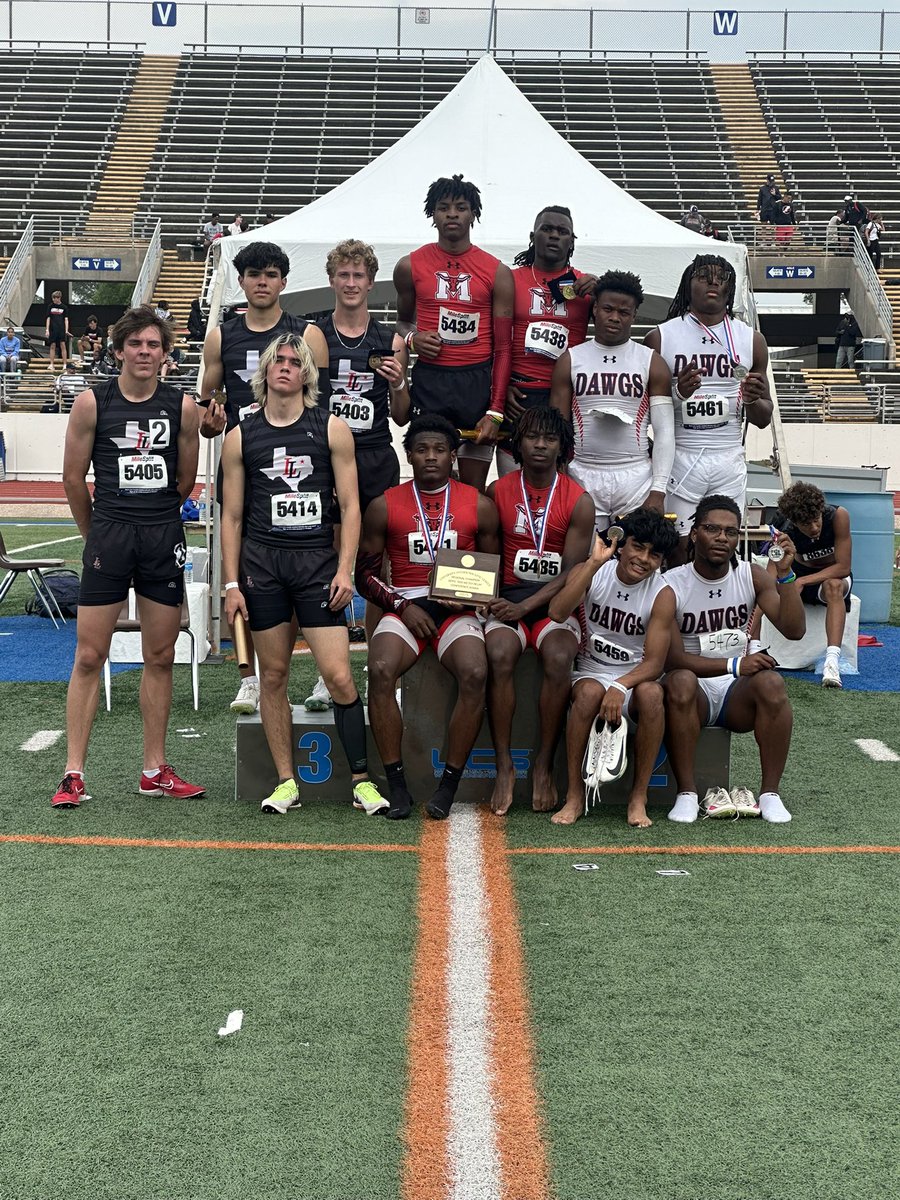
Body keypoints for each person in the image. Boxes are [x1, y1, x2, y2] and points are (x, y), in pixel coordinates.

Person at [220, 333, 387, 817]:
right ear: (265, 371)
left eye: (295, 362)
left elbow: (351, 506)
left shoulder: (332, 428)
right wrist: (231, 584)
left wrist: (345, 570)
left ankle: (361, 780)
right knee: (272, 675)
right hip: (262, 567)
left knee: (337, 676)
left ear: (307, 374)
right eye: (278, 361)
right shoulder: (240, 435)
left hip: (315, 565)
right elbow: (231, 517)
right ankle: (286, 781)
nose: (286, 368)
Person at [51, 307, 203, 809]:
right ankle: (74, 772)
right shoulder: (92, 404)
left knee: (160, 656)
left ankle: (154, 769)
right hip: (110, 535)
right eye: (135, 344)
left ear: (165, 354)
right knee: (90, 655)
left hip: (162, 535)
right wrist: (95, 534)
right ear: (118, 351)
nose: (144, 352)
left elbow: (185, 482)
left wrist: (156, 517)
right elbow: (74, 480)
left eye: (154, 345)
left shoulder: (181, 407)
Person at [200, 241, 330, 716]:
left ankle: (319, 670)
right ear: (241, 280)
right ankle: (249, 678)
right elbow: (206, 403)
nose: (262, 281)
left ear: (284, 281)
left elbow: (323, 405)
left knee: (305, 566)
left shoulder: (306, 334)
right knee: (244, 574)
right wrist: (210, 424)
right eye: (253, 273)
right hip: (245, 460)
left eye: (271, 274)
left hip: (300, 467)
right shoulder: (222, 336)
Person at [355, 415, 500, 820]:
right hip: (406, 605)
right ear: (410, 456)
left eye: (439, 450)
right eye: (421, 450)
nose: (431, 457)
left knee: (475, 671)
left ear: (454, 456)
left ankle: (448, 785)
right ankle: (397, 783)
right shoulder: (384, 504)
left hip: (457, 612)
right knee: (380, 668)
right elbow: (364, 575)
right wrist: (402, 606)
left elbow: (494, 570)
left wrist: (472, 598)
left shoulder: (480, 505)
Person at [302, 238, 411, 712]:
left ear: (371, 281)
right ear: (332, 281)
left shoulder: (392, 339)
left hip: (374, 457)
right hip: (329, 459)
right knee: (332, 562)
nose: (350, 283)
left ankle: (381, 669)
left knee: (377, 563)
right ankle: (332, 672)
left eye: (358, 276)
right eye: (342, 275)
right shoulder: (315, 334)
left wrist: (399, 382)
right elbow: (307, 404)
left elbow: (403, 415)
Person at [660, 494, 805, 824]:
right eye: (712, 529)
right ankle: (687, 792)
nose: (722, 538)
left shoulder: (750, 576)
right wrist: (736, 665)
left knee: (771, 682)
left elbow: (794, 629)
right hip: (691, 690)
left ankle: (769, 794)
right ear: (695, 533)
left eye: (730, 531)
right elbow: (672, 659)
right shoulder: (671, 583)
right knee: (679, 681)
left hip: (734, 695)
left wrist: (785, 575)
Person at [484, 406, 595, 815]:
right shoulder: (498, 491)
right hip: (507, 597)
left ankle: (543, 765)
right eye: (532, 437)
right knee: (497, 653)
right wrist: (491, 600)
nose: (541, 445)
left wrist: (526, 606)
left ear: (563, 448)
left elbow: (572, 572)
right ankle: (503, 766)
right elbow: (488, 557)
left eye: (550, 439)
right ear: (518, 443)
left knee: (560, 655)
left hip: (553, 604)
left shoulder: (579, 500)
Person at [548, 507, 680, 828]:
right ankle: (575, 796)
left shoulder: (662, 593)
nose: (644, 559)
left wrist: (621, 685)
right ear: (622, 544)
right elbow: (556, 611)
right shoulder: (597, 571)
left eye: (654, 554)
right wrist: (593, 563)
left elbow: (655, 663)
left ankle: (638, 797)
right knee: (590, 692)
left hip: (635, 676)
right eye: (638, 546)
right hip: (592, 668)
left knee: (651, 695)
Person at [645, 254, 773, 564]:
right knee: (678, 549)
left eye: (721, 277)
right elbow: (643, 413)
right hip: (679, 458)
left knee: (721, 548)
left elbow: (763, 418)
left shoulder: (752, 341)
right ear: (688, 285)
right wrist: (678, 393)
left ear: (730, 289)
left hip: (727, 457)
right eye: (703, 276)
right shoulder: (660, 338)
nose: (713, 281)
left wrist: (753, 399)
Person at [393, 173, 514, 490]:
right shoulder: (410, 265)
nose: (452, 214)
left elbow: (503, 348)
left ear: (473, 213)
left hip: (476, 382)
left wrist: (496, 411)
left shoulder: (496, 271)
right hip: (431, 380)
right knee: (430, 480)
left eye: (460, 207)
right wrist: (412, 338)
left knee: (471, 490)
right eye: (444, 207)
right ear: (432, 213)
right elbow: (403, 323)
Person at [550, 269, 675, 533]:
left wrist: (658, 490)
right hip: (583, 471)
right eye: (608, 309)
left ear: (634, 316)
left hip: (635, 475)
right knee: (584, 562)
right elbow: (557, 428)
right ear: (595, 308)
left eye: (624, 312)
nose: (615, 317)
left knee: (631, 560)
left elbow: (664, 432)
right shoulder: (571, 359)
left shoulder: (651, 361)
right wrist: (559, 476)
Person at [502, 205, 595, 475]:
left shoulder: (585, 286)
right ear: (533, 236)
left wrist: (601, 290)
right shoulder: (509, 279)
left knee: (560, 486)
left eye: (562, 231)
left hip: (569, 393)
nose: (554, 235)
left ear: (572, 242)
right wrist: (500, 388)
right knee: (514, 481)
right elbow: (497, 339)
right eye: (547, 229)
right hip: (520, 394)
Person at [769, 482, 852, 689]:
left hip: (831, 577)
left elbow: (843, 567)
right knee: (765, 590)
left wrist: (801, 581)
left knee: (833, 586)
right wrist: (783, 583)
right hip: (799, 576)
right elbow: (770, 579)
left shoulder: (838, 516)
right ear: (794, 523)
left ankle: (831, 661)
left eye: (816, 520)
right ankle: (749, 646)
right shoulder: (784, 529)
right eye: (806, 524)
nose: (814, 528)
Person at [45, 289, 69, 371]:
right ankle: (51, 364)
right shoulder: (50, 306)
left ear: (59, 298)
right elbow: (48, 318)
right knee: (52, 346)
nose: (55, 299)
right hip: (52, 329)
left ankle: (65, 364)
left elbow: (66, 319)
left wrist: (66, 330)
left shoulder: (64, 307)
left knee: (63, 345)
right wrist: (47, 329)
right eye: (53, 298)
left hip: (61, 329)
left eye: (56, 298)